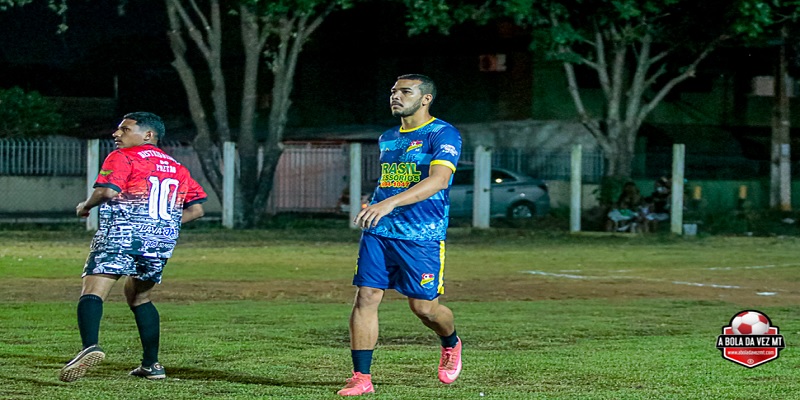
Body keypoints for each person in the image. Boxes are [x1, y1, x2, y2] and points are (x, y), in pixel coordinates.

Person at [338, 74, 463, 396]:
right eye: (394, 91)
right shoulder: (388, 137)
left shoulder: (442, 133)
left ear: (426, 99)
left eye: (406, 91)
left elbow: (438, 180)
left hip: (421, 234)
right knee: (366, 296)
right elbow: (392, 181)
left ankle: (450, 342)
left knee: (424, 308)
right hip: (380, 231)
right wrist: (376, 203)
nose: (396, 96)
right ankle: (361, 377)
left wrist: (389, 203)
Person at [59, 112, 207, 383]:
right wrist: (161, 225)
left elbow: (107, 191)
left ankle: (90, 346)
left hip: (122, 234)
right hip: (158, 242)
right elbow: (196, 210)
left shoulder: (124, 156)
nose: (116, 134)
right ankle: (152, 365)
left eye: (125, 129)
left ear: (148, 135)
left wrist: (85, 206)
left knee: (93, 290)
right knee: (140, 298)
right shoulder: (177, 167)